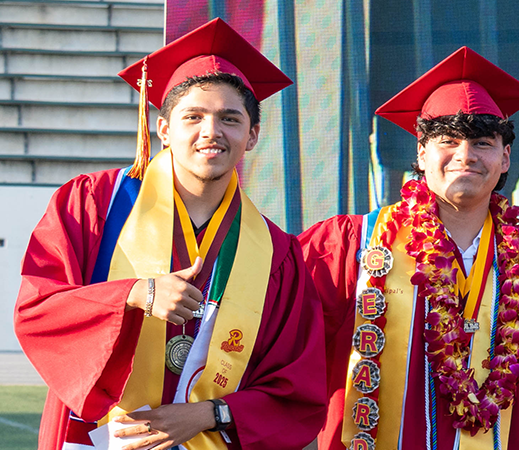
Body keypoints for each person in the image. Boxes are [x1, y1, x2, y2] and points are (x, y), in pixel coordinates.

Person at [14, 18, 323, 450]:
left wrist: (207, 414)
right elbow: (39, 307)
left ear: (252, 136)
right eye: (192, 116)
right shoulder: (94, 205)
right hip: (94, 437)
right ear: (163, 129)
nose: (211, 132)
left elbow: (296, 386)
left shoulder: (276, 253)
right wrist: (133, 294)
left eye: (230, 119)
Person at [300, 47, 519, 450]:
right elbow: (278, 342)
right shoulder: (350, 246)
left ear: (505, 158)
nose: (465, 155)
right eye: (448, 140)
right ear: (422, 154)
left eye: (482, 142)